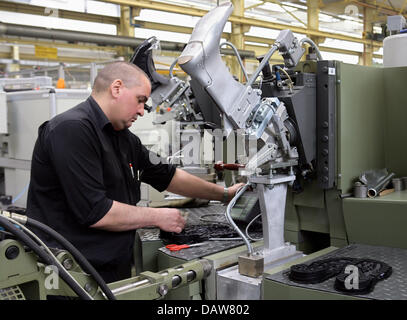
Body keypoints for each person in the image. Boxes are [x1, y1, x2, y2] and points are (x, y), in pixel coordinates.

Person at [26, 61, 244, 283]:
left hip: (110, 265)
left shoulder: (124, 138)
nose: (142, 111)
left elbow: (168, 175)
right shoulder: (72, 130)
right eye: (140, 100)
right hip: (70, 273)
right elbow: (95, 211)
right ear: (117, 88)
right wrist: (158, 216)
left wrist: (225, 194)